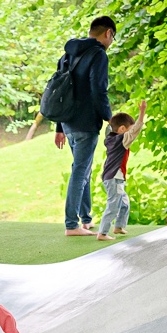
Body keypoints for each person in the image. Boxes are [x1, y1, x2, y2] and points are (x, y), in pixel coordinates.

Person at [53, 16, 116, 237]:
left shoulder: (68, 54)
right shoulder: (98, 54)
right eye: (113, 38)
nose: (111, 42)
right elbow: (99, 90)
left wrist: (59, 128)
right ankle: (71, 225)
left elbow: (61, 92)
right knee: (80, 171)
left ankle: (85, 219)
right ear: (108, 33)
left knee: (83, 169)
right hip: (87, 123)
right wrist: (110, 118)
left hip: (69, 123)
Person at [98, 101, 147, 241]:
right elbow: (135, 131)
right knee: (113, 204)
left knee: (124, 203)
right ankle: (102, 233)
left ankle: (118, 227)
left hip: (115, 177)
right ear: (121, 129)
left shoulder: (111, 138)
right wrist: (142, 112)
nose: (131, 134)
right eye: (128, 130)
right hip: (114, 177)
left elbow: (114, 128)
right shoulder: (120, 140)